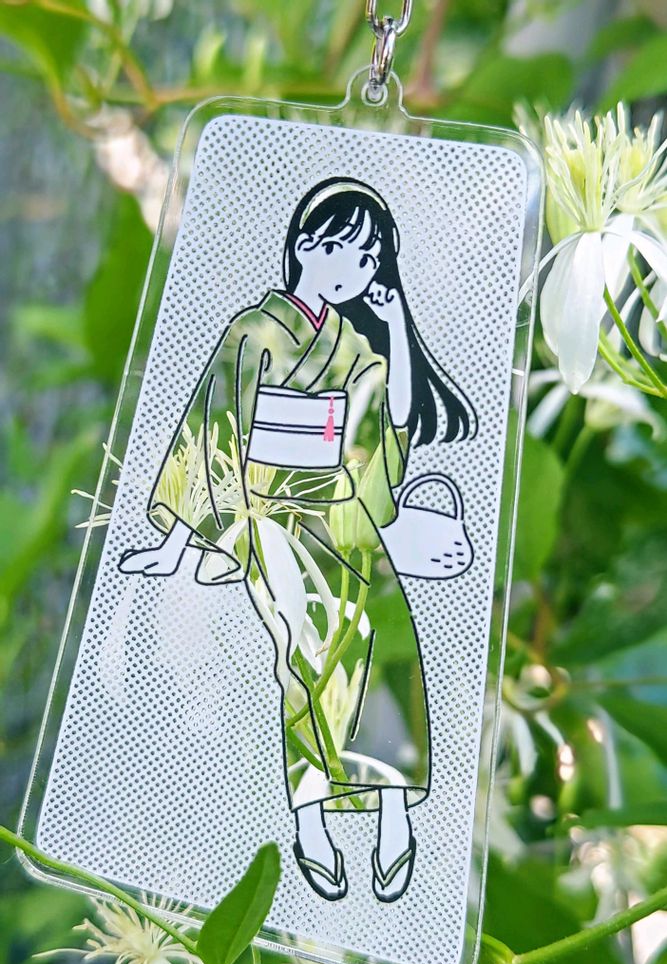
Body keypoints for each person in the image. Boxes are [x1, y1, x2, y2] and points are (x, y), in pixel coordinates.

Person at [120, 178, 476, 903]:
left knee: (366, 642)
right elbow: (210, 430)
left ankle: (392, 814)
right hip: (269, 515)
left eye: (371, 262)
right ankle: (312, 825)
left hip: (340, 511)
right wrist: (180, 542)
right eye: (347, 250)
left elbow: (393, 418)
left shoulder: (351, 343)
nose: (358, 271)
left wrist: (397, 323)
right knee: (301, 662)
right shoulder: (252, 332)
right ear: (307, 244)